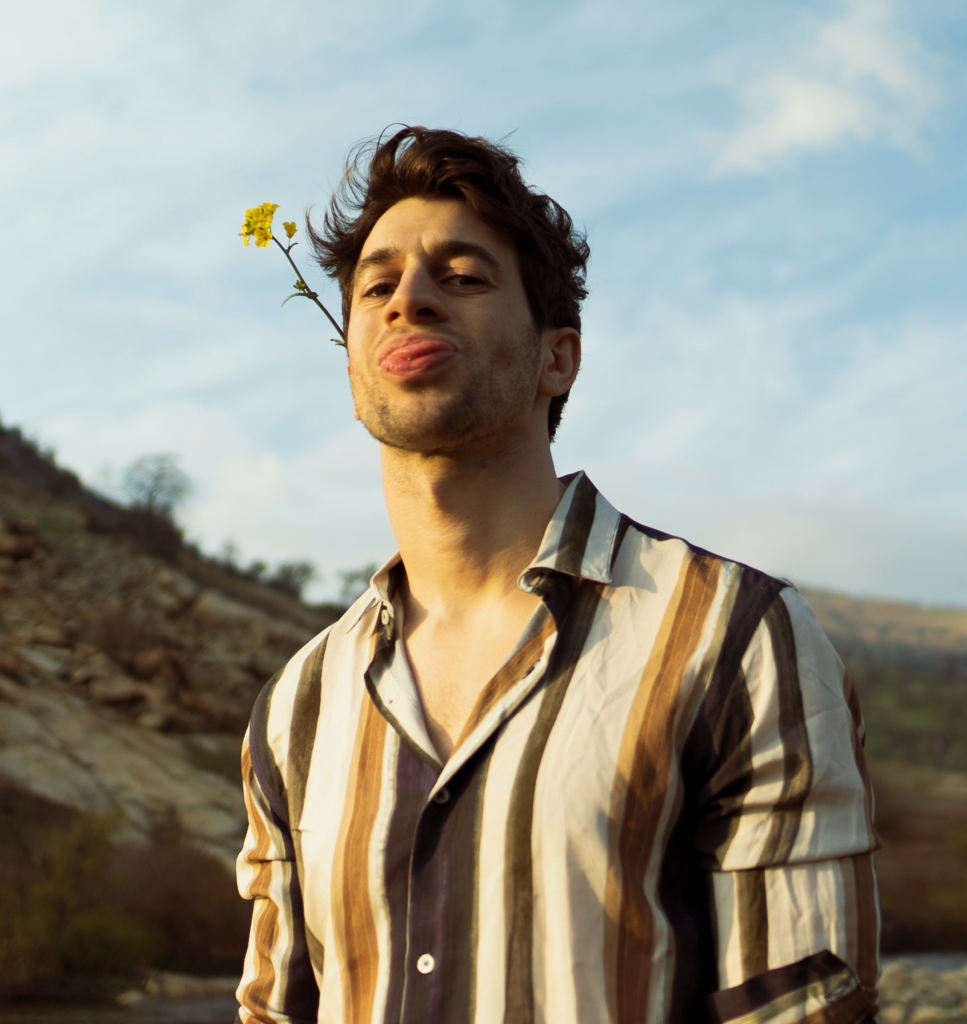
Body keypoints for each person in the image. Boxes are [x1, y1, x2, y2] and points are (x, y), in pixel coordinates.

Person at [234, 126, 880, 1024]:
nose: (408, 299)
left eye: (462, 277)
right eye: (375, 285)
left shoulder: (738, 641)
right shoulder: (296, 709)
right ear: (351, 368)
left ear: (558, 357)